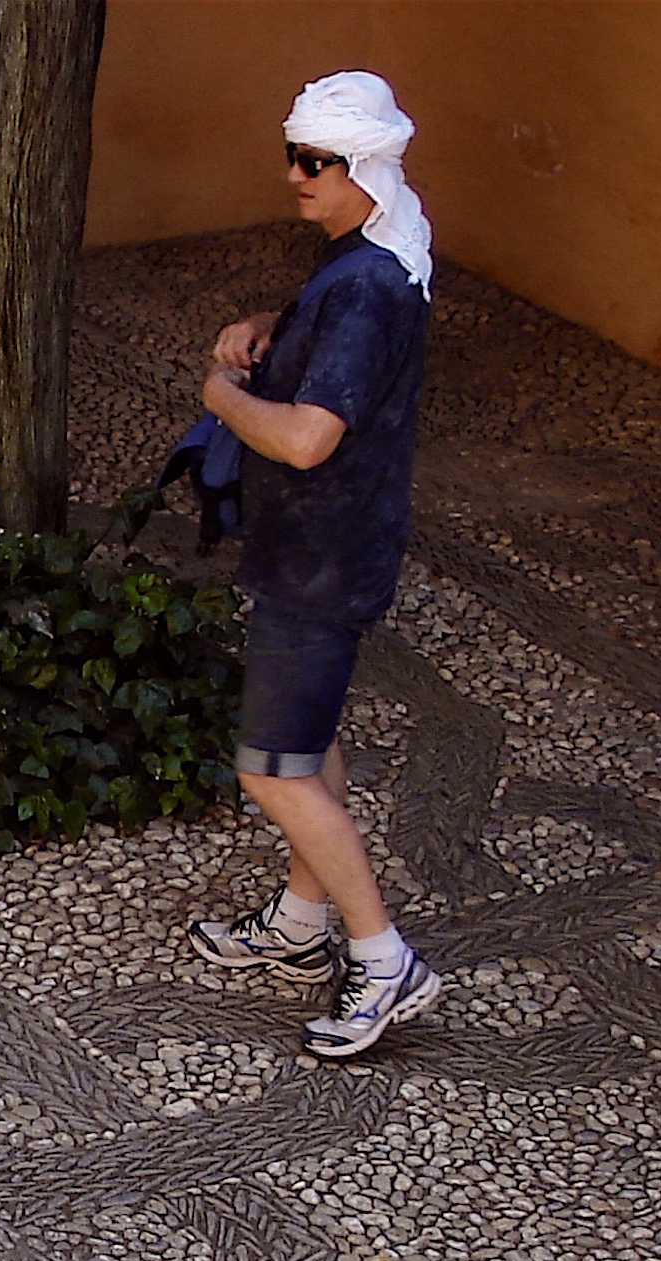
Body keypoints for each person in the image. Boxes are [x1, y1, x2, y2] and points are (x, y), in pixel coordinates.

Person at [186, 72, 440, 1059]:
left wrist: (222, 396)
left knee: (274, 771)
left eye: (316, 161)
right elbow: (336, 344)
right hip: (327, 547)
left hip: (320, 561)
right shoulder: (370, 251)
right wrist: (272, 328)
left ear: (362, 166)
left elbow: (304, 438)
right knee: (310, 745)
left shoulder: (368, 285)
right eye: (292, 154)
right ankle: (299, 926)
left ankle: (383, 957)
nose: (295, 174)